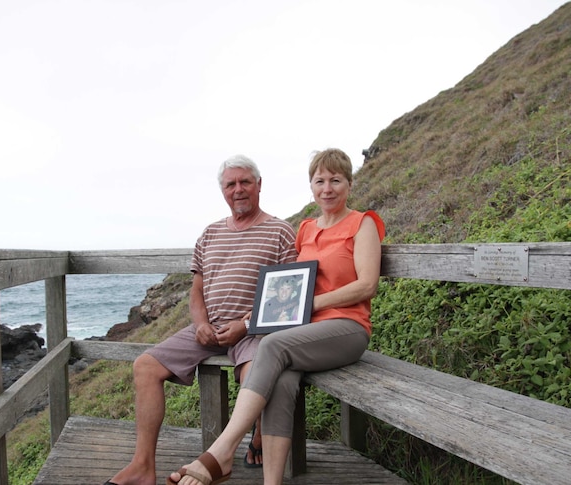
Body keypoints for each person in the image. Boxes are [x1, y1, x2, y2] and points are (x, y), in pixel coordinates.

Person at [167, 148, 385, 485]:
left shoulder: (363, 223)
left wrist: (311, 304)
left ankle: (221, 450)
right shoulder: (306, 229)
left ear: (349, 184)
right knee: (282, 381)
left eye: (335, 180)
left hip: (346, 328)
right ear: (312, 187)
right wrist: (263, 313)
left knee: (271, 347)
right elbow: (287, 286)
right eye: (320, 181)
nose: (327, 188)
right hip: (305, 332)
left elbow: (367, 285)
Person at [104, 155, 297, 485]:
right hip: (208, 328)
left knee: (259, 378)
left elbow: (287, 294)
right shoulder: (209, 233)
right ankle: (142, 466)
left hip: (255, 330)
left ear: (259, 185)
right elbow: (197, 290)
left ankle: (231, 454)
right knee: (145, 366)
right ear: (222, 190)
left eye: (245, 182)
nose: (238, 190)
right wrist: (201, 323)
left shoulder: (280, 231)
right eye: (230, 184)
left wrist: (246, 324)